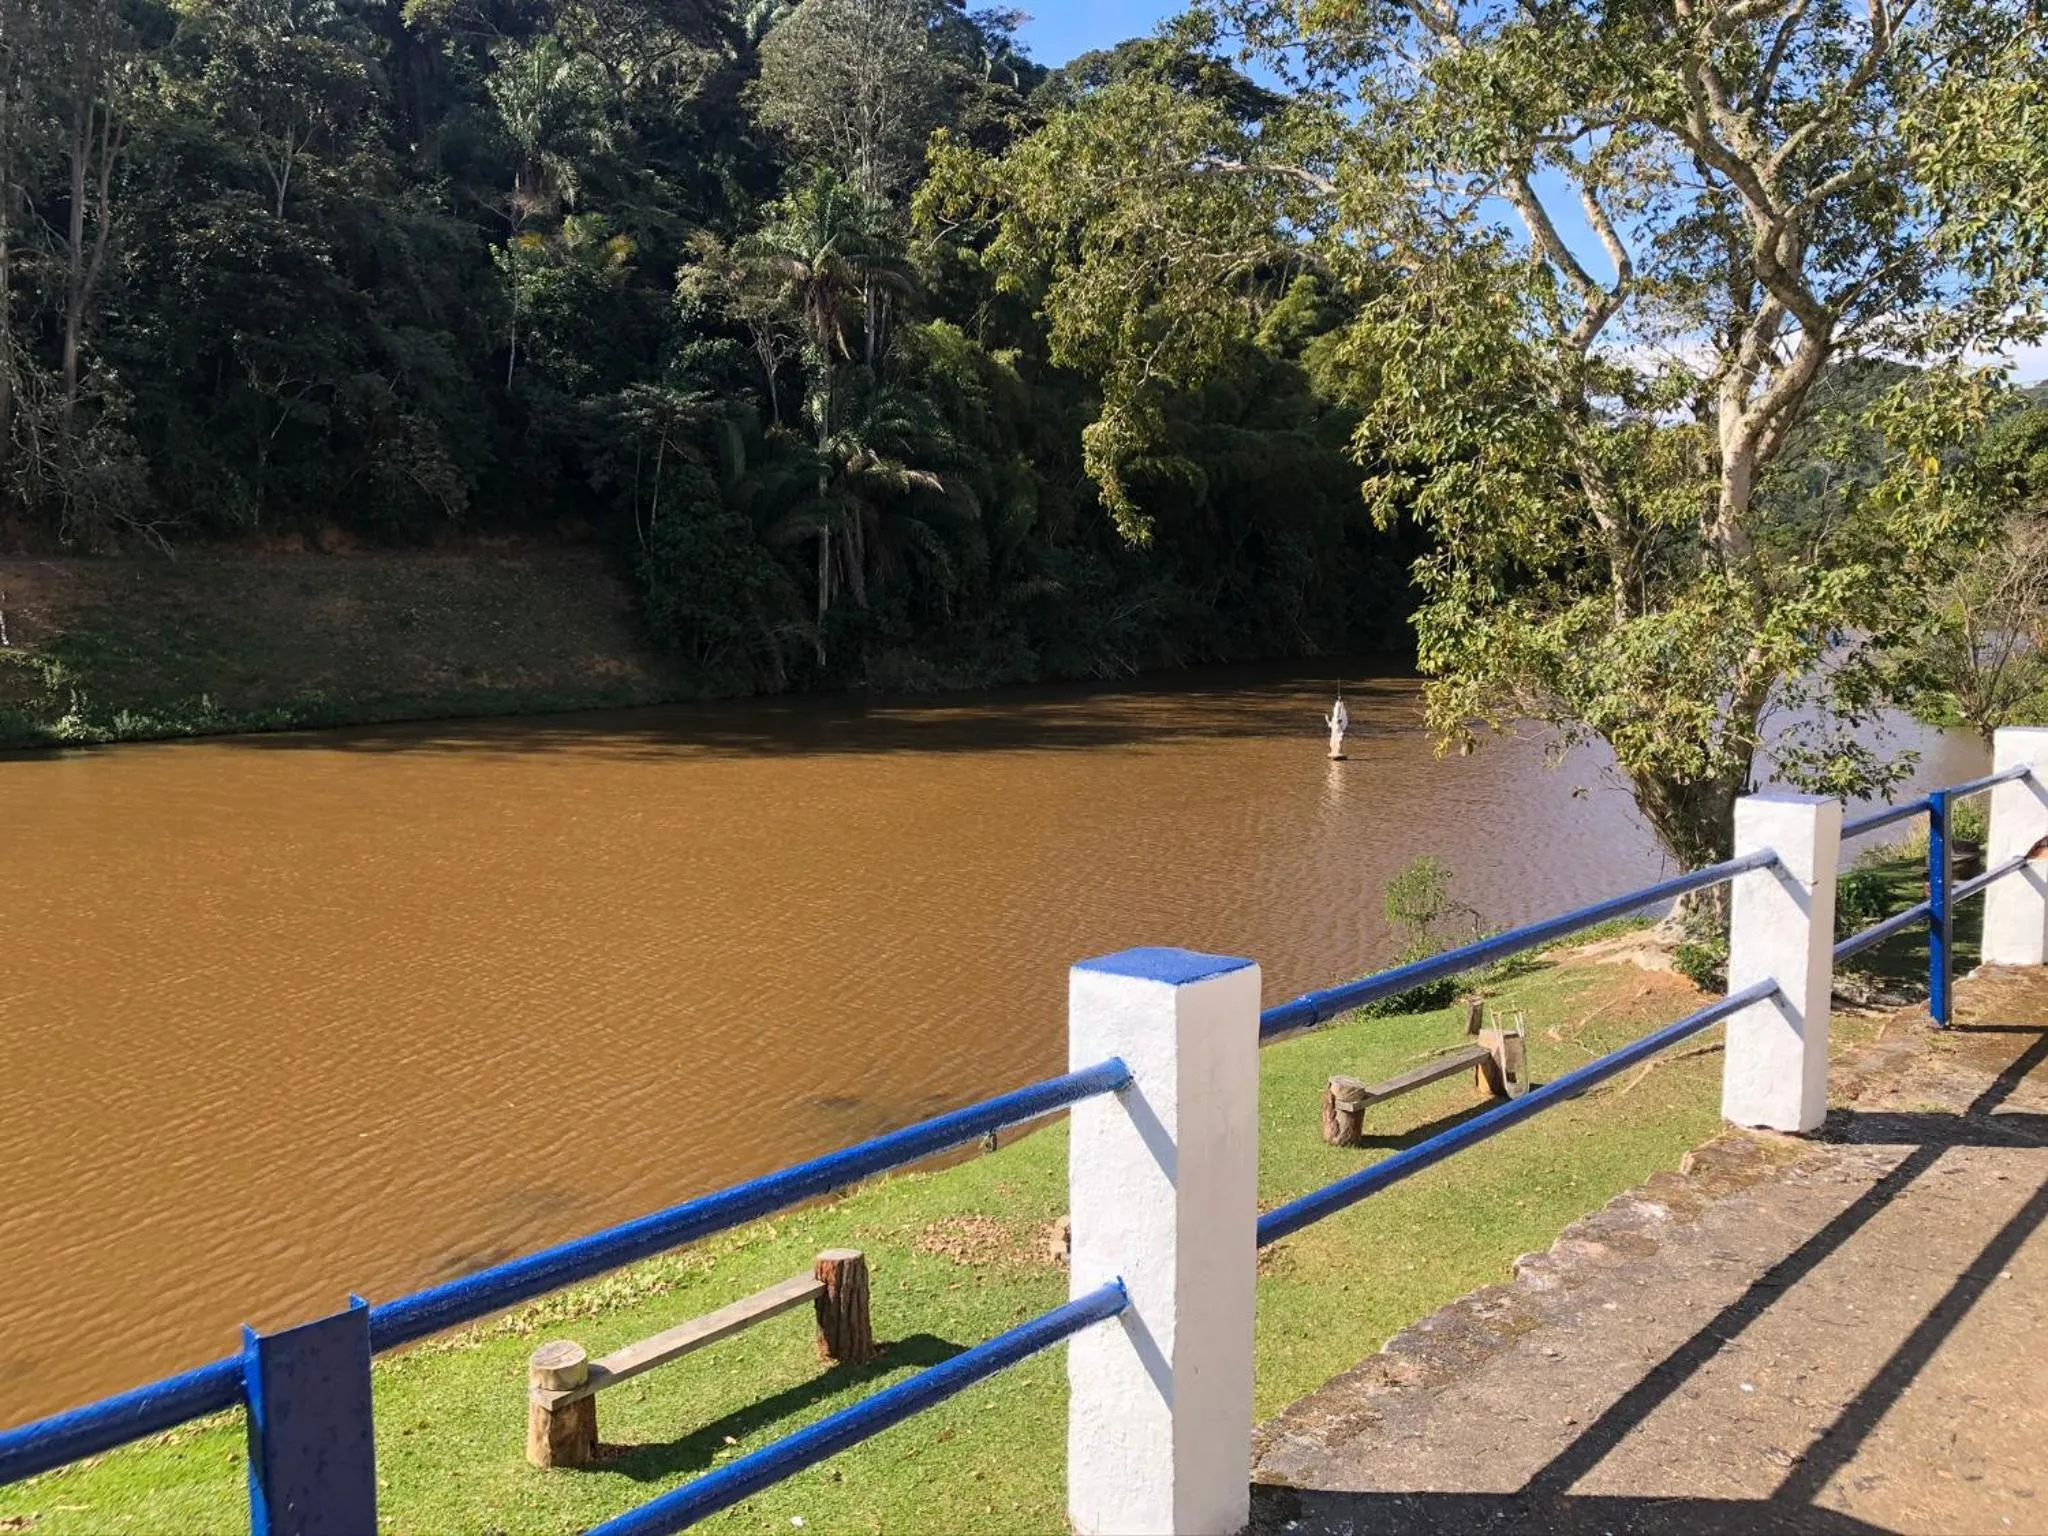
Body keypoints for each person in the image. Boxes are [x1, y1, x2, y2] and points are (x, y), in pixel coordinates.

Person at [1324, 693, 1349, 760]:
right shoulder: (1334, 718)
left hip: (1338, 733)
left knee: (1338, 742)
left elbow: (1342, 716)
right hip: (1334, 734)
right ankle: (1334, 751)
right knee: (1332, 743)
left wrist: (1339, 720)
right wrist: (1327, 719)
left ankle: (1338, 752)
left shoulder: (1340, 716)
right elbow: (1330, 725)